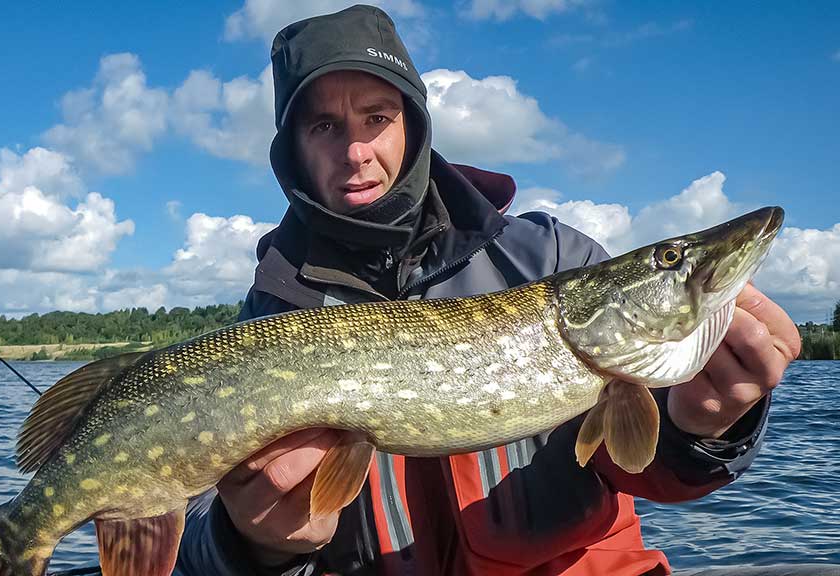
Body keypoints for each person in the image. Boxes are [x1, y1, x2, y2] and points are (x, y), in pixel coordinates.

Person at [175, 5, 807, 575]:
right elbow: (195, 532)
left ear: (413, 127)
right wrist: (252, 546)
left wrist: (703, 426)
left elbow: (642, 467)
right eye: (323, 127)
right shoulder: (273, 313)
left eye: (377, 117)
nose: (357, 151)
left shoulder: (553, 259)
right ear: (292, 152)